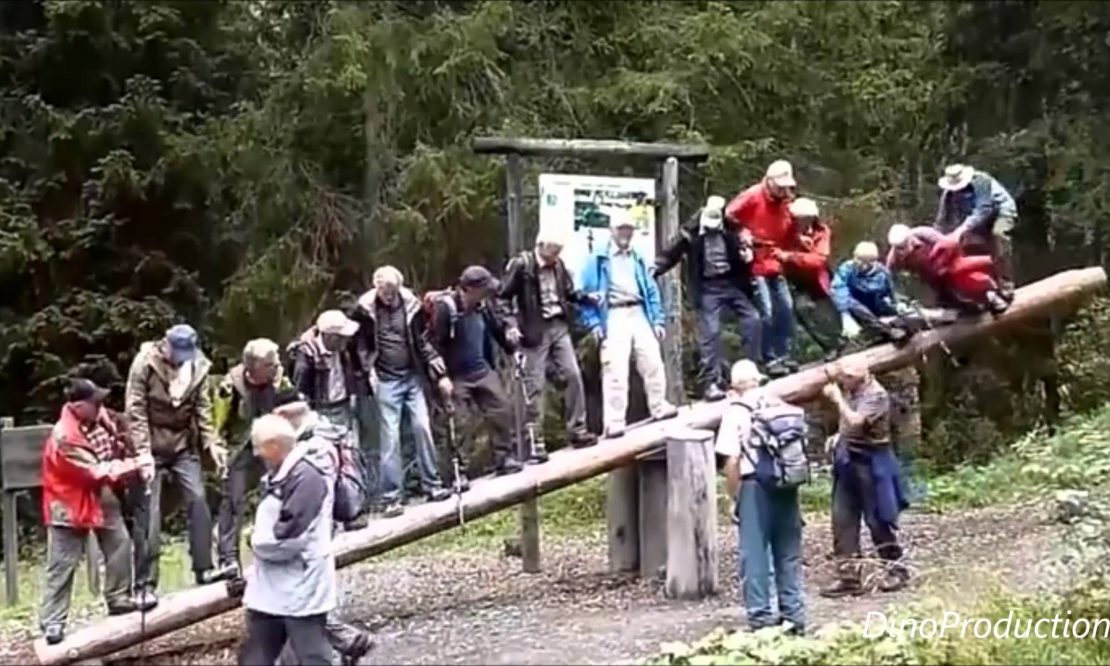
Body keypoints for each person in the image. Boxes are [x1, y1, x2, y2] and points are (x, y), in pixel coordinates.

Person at [39, 379, 154, 645]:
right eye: (96, 402)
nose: (101, 405)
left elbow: (117, 440)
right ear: (79, 406)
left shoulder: (99, 418)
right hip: (68, 500)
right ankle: (52, 622)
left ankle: (118, 597)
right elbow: (96, 471)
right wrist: (136, 463)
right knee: (62, 564)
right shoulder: (64, 436)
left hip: (99, 492)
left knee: (119, 542)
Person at [125, 324, 234, 602]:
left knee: (198, 500)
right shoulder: (144, 364)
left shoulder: (197, 367)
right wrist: (142, 454)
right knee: (149, 513)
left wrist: (212, 444)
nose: (181, 357)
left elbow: (203, 410)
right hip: (151, 446)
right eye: (178, 352)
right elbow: (135, 411)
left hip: (183, 445)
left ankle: (204, 568)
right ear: (166, 345)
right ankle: (145, 585)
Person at [270, 391, 374, 666]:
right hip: (313, 535)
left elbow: (307, 501)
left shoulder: (315, 447)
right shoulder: (316, 438)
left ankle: (347, 640)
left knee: (295, 602)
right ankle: (341, 644)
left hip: (309, 537)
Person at [351, 265, 452, 518]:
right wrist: (365, 369)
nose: (389, 295)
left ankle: (433, 484)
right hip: (385, 380)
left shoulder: (410, 304)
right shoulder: (363, 310)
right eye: (385, 290)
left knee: (422, 427)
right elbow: (358, 343)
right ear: (376, 287)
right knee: (390, 438)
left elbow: (420, 339)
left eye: (393, 289)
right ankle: (391, 497)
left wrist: (433, 363)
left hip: (411, 375)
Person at [715, 361, 805, 634]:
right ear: (758, 379)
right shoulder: (778, 402)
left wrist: (733, 496)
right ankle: (794, 616)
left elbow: (731, 460)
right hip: (788, 484)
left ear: (734, 386)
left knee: (755, 556)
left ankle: (761, 618)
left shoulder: (736, 411)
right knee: (788, 553)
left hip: (754, 486)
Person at [239, 415, 336, 665]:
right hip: (271, 589)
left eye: (258, 446)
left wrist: (255, 542)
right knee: (256, 654)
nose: (256, 453)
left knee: (312, 653)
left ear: (274, 446)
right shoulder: (284, 473)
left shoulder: (306, 478)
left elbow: (290, 538)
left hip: (301, 585)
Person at [580, 209, 678, 438]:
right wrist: (593, 323)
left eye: (629, 230)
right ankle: (614, 422)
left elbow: (650, 289)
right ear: (611, 230)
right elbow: (583, 295)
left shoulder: (638, 256)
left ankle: (659, 406)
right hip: (613, 313)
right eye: (621, 229)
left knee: (652, 360)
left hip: (638, 311)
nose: (625, 234)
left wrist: (657, 319)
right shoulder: (597, 258)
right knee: (615, 367)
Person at [499, 228, 598, 454]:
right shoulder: (522, 266)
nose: (556, 256)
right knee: (535, 385)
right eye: (553, 251)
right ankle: (536, 441)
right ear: (541, 246)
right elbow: (502, 298)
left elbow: (568, 293)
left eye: (558, 252)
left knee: (573, 375)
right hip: (534, 329)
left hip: (559, 325)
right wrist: (512, 326)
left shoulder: (559, 265)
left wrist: (585, 298)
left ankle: (578, 430)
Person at [654, 195, 760, 401]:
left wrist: (747, 256)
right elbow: (671, 253)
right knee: (710, 332)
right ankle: (712, 381)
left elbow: (746, 248)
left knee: (753, 319)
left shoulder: (731, 228)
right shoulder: (690, 233)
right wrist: (656, 267)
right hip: (708, 287)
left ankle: (752, 371)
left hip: (731, 283)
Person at [819, 359, 909, 598]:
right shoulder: (850, 386)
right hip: (848, 460)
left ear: (862, 376)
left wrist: (837, 398)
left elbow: (857, 422)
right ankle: (848, 577)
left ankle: (895, 569)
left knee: (877, 519)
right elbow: (832, 373)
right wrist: (839, 436)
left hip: (871, 462)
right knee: (842, 519)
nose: (843, 381)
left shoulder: (876, 395)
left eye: (847, 377)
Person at [426, 265, 524, 475]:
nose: (488, 292)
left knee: (501, 409)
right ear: (469, 289)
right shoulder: (446, 308)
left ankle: (504, 458)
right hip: (457, 376)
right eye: (484, 289)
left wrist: (510, 339)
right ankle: (458, 472)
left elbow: (497, 329)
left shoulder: (483, 305)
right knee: (460, 424)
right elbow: (431, 343)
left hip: (482, 370)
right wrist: (441, 377)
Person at [214, 338, 291, 573]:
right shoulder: (230, 386)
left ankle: (281, 544)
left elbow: (292, 407)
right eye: (271, 364)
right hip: (241, 446)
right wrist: (218, 447)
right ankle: (228, 558)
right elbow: (217, 421)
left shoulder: (279, 379)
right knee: (233, 500)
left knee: (282, 490)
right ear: (255, 367)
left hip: (271, 442)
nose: (277, 366)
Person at [725, 160, 799, 375]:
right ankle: (769, 359)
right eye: (780, 185)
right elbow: (729, 214)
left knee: (786, 307)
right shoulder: (753, 195)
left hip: (774, 260)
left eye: (787, 186)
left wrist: (796, 237)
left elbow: (787, 227)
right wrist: (742, 232)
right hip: (756, 260)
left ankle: (784, 354)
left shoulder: (786, 201)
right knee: (765, 311)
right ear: (769, 181)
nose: (784, 190)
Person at [886, 224, 1009, 314]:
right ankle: (965, 311)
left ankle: (993, 296)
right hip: (930, 275)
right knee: (947, 298)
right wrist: (899, 299)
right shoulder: (893, 258)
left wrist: (942, 263)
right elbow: (888, 278)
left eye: (904, 246)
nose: (902, 251)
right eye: (899, 248)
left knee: (969, 280)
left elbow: (949, 244)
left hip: (949, 263)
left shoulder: (924, 234)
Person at [934, 164, 1018, 290]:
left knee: (998, 235)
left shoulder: (981, 182)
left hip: (1000, 211)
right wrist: (937, 240)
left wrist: (960, 230)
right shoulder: (948, 194)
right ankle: (983, 287)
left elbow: (984, 209)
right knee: (967, 246)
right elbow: (942, 220)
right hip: (977, 220)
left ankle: (1006, 284)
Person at [290, 310, 363, 451]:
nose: (346, 339)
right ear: (330, 337)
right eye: (341, 337)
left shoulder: (344, 350)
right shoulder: (307, 355)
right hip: (320, 412)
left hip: (345, 407)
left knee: (350, 452)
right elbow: (301, 391)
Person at [780, 197, 839, 354]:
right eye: (799, 218)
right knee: (802, 310)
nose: (803, 222)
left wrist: (790, 256)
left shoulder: (822, 232)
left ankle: (839, 342)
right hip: (794, 279)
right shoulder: (786, 231)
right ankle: (828, 346)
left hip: (817, 278)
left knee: (829, 310)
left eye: (806, 218)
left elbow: (818, 260)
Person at [830, 242, 909, 344]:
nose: (859, 264)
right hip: (855, 307)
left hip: (875, 304)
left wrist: (897, 303)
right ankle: (885, 330)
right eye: (857, 259)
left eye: (864, 262)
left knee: (891, 307)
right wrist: (845, 314)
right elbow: (838, 287)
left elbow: (891, 291)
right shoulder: (847, 269)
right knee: (852, 303)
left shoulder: (882, 273)